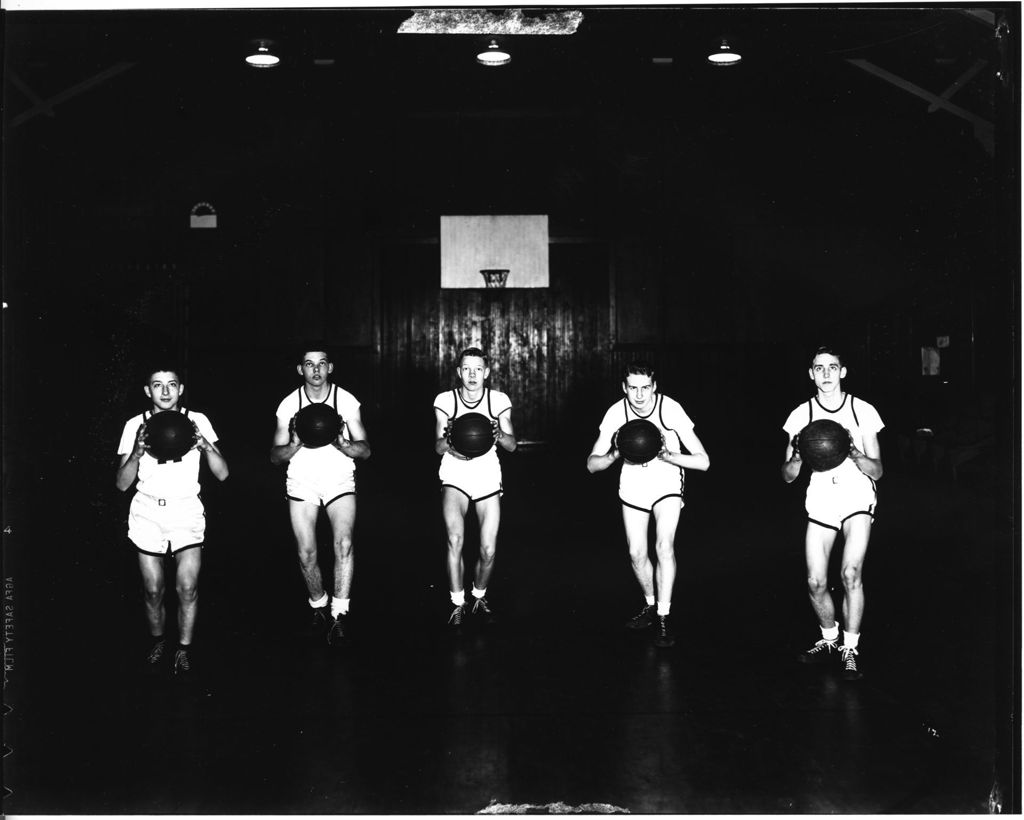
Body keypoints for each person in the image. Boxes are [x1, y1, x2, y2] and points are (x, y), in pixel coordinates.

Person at [116, 366, 229, 675]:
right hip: (147, 512)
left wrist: (204, 445)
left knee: (187, 587)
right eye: (157, 385)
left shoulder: (198, 421)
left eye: (171, 385)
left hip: (185, 510)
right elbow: (121, 484)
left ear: (181, 389)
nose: (165, 392)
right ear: (147, 391)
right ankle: (158, 641)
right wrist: (137, 454)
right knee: (153, 589)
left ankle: (184, 648)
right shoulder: (134, 425)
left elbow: (223, 473)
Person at [587, 362, 710, 648]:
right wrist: (617, 452)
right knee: (636, 553)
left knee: (664, 546)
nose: (640, 395)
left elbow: (703, 461)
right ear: (624, 388)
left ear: (655, 387)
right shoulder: (617, 413)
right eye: (633, 388)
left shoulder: (671, 409)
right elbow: (592, 464)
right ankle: (651, 605)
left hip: (667, 480)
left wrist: (668, 455)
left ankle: (665, 617)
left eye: (645, 388)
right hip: (633, 482)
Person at [782, 345, 884, 681]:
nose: (826, 374)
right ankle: (829, 639)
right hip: (822, 498)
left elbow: (878, 470)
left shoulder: (862, 410)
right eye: (819, 368)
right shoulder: (801, 415)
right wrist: (797, 455)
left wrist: (853, 451)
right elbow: (788, 475)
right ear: (811, 374)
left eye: (832, 367)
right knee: (815, 582)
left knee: (851, 574)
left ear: (843, 371)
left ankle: (850, 648)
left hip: (856, 495)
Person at [271, 343, 370, 645]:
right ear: (301, 369)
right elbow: (275, 456)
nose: (316, 370)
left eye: (322, 363)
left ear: (330, 368)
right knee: (306, 553)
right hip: (302, 481)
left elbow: (365, 450)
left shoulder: (346, 400)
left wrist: (343, 444)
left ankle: (339, 613)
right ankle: (318, 604)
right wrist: (295, 444)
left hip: (339, 479)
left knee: (344, 543)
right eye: (309, 364)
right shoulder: (289, 405)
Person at [433, 347, 517, 629]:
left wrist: (499, 433)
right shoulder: (446, 400)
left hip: (486, 472)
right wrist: (452, 437)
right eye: (466, 369)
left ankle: (478, 595)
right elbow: (437, 446)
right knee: (455, 539)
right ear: (459, 372)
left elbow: (512, 445)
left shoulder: (498, 400)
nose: (472, 375)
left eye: (477, 369)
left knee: (488, 549)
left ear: (487, 372)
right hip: (455, 470)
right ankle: (457, 603)